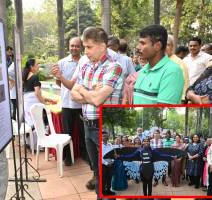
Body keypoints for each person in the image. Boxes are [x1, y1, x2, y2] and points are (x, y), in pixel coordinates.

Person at [71, 27, 124, 199]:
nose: (84, 51)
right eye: (84, 46)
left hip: (102, 128)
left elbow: (97, 99)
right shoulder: (86, 66)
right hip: (87, 124)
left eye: (88, 47)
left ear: (102, 46)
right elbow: (73, 94)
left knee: (105, 171)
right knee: (96, 171)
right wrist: (89, 93)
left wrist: (83, 90)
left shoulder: (114, 67)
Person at [51, 37, 87, 166]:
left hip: (83, 103)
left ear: (81, 47)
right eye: (72, 46)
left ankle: (85, 155)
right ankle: (68, 157)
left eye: (77, 46)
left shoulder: (86, 61)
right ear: (68, 46)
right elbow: (57, 81)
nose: (74, 48)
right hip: (67, 102)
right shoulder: (62, 62)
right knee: (67, 132)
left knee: (84, 132)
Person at [133, 25, 184, 104]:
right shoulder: (144, 70)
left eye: (142, 43)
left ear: (157, 46)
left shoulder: (172, 71)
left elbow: (163, 109)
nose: (138, 47)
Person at [23, 58, 54, 148]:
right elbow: (37, 93)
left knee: (30, 122)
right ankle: (38, 145)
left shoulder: (24, 76)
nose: (38, 66)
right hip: (33, 102)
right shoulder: (35, 77)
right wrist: (44, 103)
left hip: (26, 101)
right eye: (37, 65)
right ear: (32, 67)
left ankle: (29, 143)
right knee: (37, 122)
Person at [166, 35, 190, 102]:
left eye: (168, 45)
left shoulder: (179, 63)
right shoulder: (156, 62)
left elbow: (185, 83)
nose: (165, 47)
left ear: (172, 47)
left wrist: (182, 99)